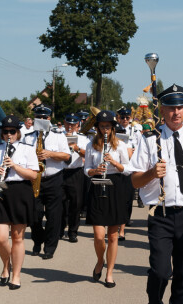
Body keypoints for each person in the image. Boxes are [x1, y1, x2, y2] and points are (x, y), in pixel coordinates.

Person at [130, 84, 183, 304]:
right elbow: (134, 180)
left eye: (180, 107)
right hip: (161, 214)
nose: (176, 112)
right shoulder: (150, 140)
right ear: (162, 110)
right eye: (170, 107)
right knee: (160, 271)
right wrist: (151, 173)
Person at [0, 115, 39, 290]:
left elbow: (33, 175)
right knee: (0, 238)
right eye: (5, 132)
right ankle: (7, 265)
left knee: (17, 237)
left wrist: (14, 166)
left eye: (12, 131)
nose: (9, 135)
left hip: (20, 191)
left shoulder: (27, 149)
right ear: (2, 133)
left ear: (18, 133)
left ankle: (16, 275)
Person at [85, 110, 130, 288]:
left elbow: (127, 169)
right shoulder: (91, 145)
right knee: (98, 235)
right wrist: (94, 171)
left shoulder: (119, 145)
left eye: (108, 127)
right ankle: (99, 261)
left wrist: (114, 162)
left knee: (112, 236)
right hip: (97, 184)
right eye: (102, 126)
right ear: (97, 128)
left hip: (116, 186)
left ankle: (109, 273)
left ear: (112, 128)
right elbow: (86, 168)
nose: (105, 130)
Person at [24, 105, 71, 260]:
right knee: (34, 215)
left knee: (54, 215)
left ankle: (50, 247)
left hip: (54, 179)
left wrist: (50, 154)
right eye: (39, 117)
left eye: (45, 118)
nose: (42, 120)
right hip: (34, 179)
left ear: (50, 119)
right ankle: (38, 240)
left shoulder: (58, 136)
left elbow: (66, 156)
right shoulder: (28, 137)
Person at [60, 113, 90, 243]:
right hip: (60, 171)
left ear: (78, 125)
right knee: (60, 203)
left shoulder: (83, 138)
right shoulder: (58, 136)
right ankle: (60, 229)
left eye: (73, 124)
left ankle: (72, 231)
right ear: (64, 123)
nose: (70, 126)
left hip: (76, 172)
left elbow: (89, 154)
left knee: (75, 203)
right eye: (68, 123)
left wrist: (77, 148)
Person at [116, 106, 141, 240]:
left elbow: (140, 149)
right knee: (116, 199)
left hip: (129, 167)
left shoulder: (135, 131)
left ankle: (123, 229)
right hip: (115, 167)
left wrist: (132, 151)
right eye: (122, 117)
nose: (125, 120)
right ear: (118, 118)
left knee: (127, 199)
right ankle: (115, 226)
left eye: (127, 117)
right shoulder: (113, 129)